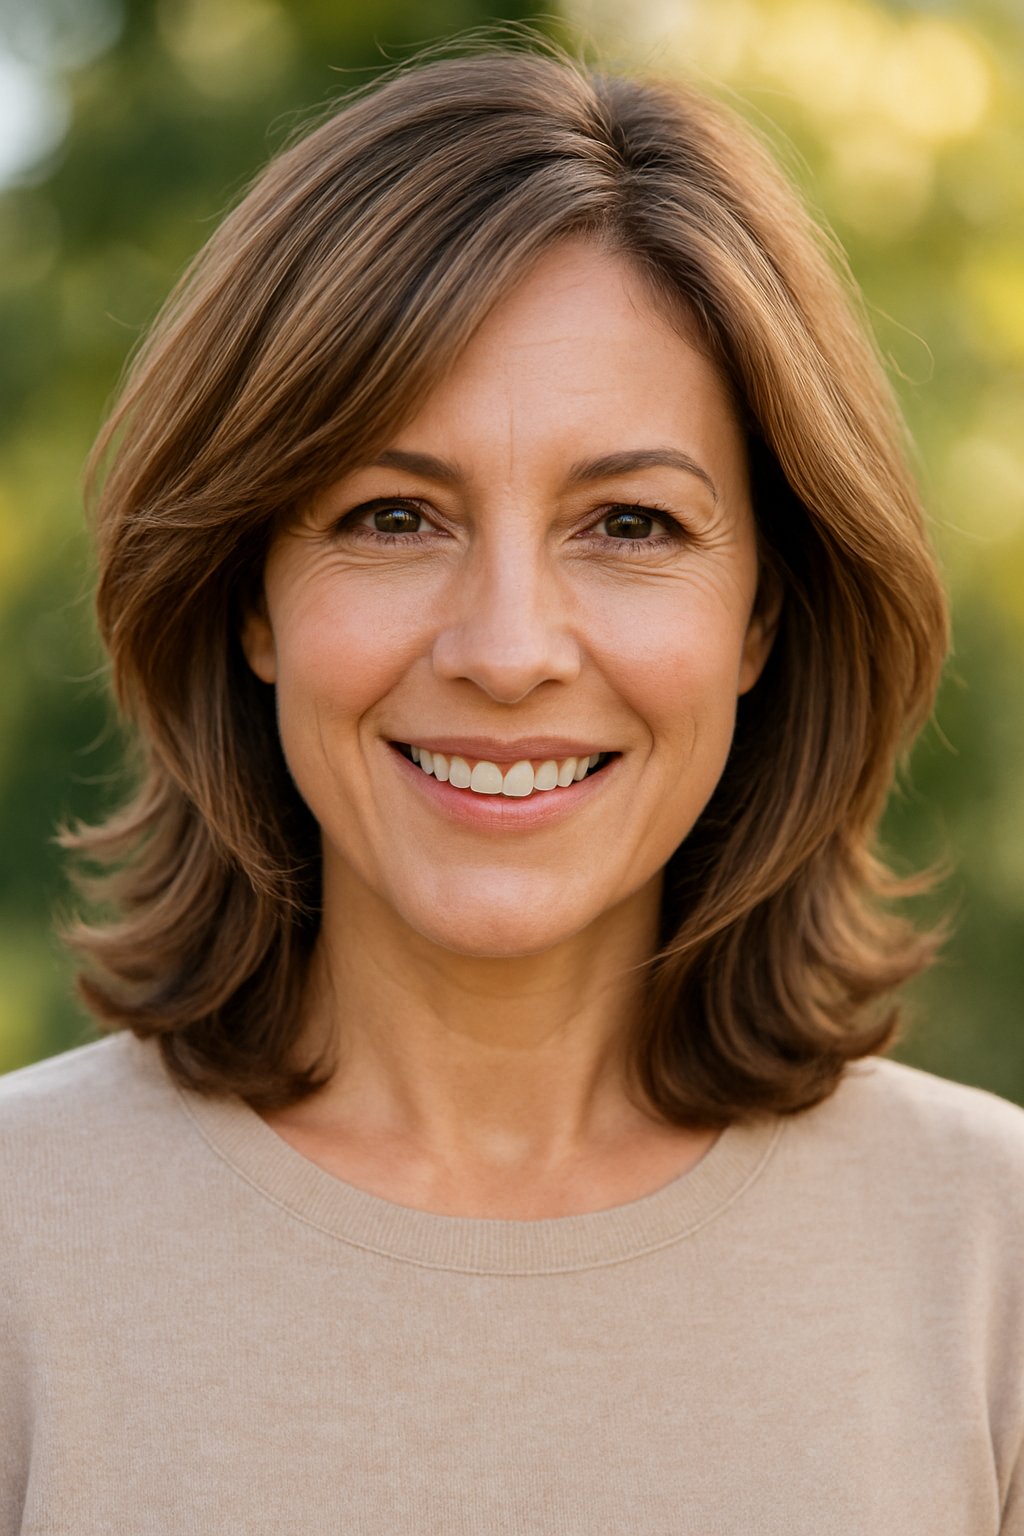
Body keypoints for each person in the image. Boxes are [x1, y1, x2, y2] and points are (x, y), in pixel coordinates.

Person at [1, 39, 1022, 1535]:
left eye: (629, 523)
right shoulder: (24, 1253)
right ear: (250, 601)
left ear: (764, 616)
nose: (507, 649)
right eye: (395, 514)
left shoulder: (992, 1263)